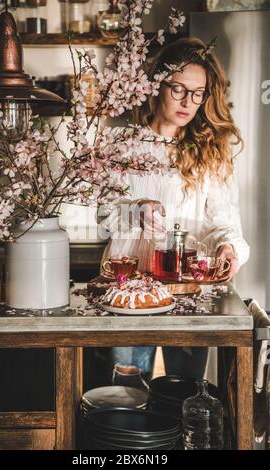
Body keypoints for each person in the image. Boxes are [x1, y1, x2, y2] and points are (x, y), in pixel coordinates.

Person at [97, 37, 250, 383]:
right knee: (128, 388)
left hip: (189, 289)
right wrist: (136, 210)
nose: (188, 101)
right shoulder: (122, 144)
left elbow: (223, 222)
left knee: (186, 389)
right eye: (178, 88)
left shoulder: (210, 150)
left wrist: (229, 248)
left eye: (198, 93)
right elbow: (105, 216)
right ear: (157, 84)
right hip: (129, 290)